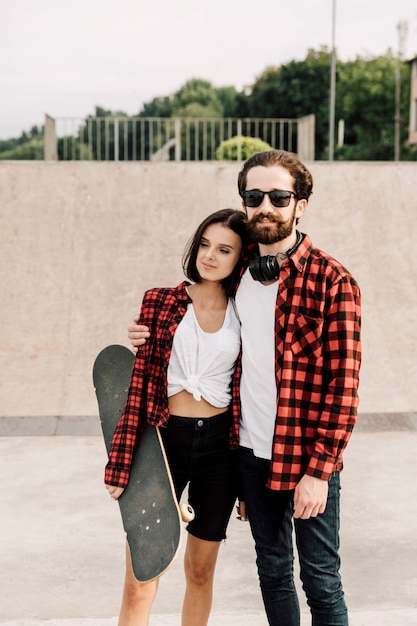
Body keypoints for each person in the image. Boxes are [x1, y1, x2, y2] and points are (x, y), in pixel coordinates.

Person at [128, 149, 362, 626]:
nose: (266, 206)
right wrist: (147, 333)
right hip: (250, 454)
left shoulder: (333, 281)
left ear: (301, 205)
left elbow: (345, 387)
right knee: (273, 574)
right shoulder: (240, 276)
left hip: (306, 458)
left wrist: (320, 471)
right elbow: (195, 310)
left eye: (279, 196)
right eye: (254, 196)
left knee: (320, 579)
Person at [105, 208, 248, 626]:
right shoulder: (161, 301)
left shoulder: (246, 313)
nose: (210, 256)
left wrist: (249, 479)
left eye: (224, 249)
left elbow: (252, 393)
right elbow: (140, 386)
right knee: (141, 577)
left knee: (200, 572)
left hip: (220, 449)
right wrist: (121, 459)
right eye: (204, 244)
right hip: (164, 443)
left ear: (240, 258)